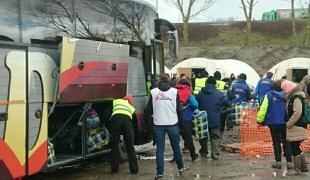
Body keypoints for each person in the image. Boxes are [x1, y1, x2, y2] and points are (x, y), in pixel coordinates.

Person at [145, 73, 184, 180]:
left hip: (158, 125)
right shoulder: (174, 92)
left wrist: (147, 120)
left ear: (160, 81)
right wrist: (181, 125)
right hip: (173, 124)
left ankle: (160, 173)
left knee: (160, 150)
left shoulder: (154, 92)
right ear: (168, 80)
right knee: (176, 147)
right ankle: (181, 168)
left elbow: (148, 110)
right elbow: (179, 110)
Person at [257, 80, 293, 170]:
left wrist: (259, 120)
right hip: (285, 123)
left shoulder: (268, 95)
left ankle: (278, 163)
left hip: (272, 123)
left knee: (276, 142)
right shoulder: (286, 95)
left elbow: (263, 109)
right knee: (286, 142)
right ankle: (289, 162)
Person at [196, 76, 231, 160]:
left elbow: (196, 104)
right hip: (215, 119)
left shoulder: (200, 93)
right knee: (215, 136)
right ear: (215, 84)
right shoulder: (219, 94)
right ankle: (214, 154)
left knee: (203, 135)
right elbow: (228, 103)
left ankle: (204, 152)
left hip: (202, 119)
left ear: (206, 83)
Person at [285, 81, 309, 174]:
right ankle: (304, 167)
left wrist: (289, 123)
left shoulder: (296, 97)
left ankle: (297, 170)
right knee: (296, 146)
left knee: (294, 147)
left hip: (296, 126)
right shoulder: (299, 96)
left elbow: (297, 112)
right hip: (299, 125)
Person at [110, 95, 138, 174]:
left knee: (114, 145)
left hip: (116, 120)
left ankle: (114, 169)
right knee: (130, 146)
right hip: (126, 122)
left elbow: (110, 111)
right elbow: (131, 120)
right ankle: (134, 169)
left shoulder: (116, 101)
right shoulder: (131, 107)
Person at [175, 78, 199, 161]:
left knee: (175, 139)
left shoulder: (173, 91)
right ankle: (193, 155)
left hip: (175, 118)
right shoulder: (189, 92)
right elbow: (195, 104)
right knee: (188, 138)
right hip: (186, 118)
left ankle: (176, 157)